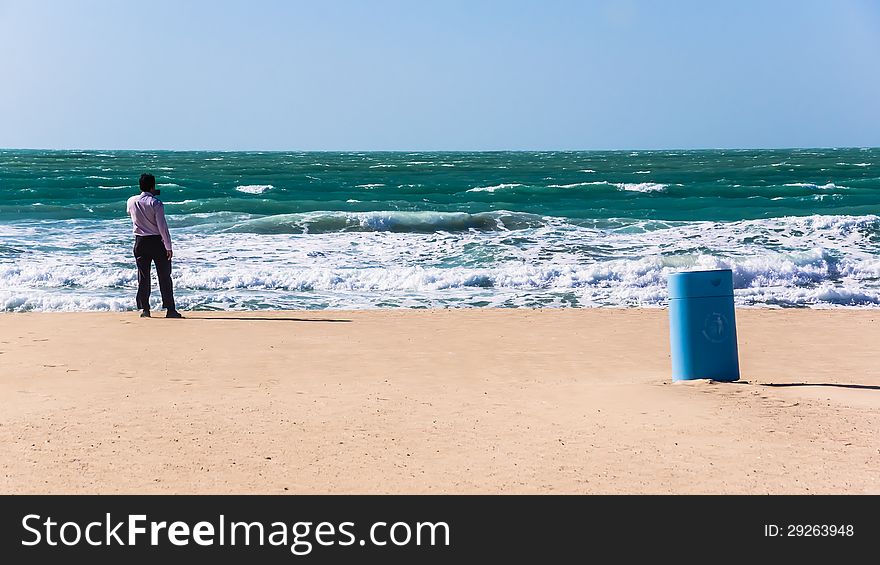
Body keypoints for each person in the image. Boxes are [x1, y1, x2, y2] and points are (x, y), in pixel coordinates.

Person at [126, 173, 183, 318]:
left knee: (143, 276)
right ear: (153, 186)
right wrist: (168, 246)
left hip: (140, 241)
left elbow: (130, 214)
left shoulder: (131, 201)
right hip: (156, 242)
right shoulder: (156, 203)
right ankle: (170, 309)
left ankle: (145, 309)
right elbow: (162, 227)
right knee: (164, 276)